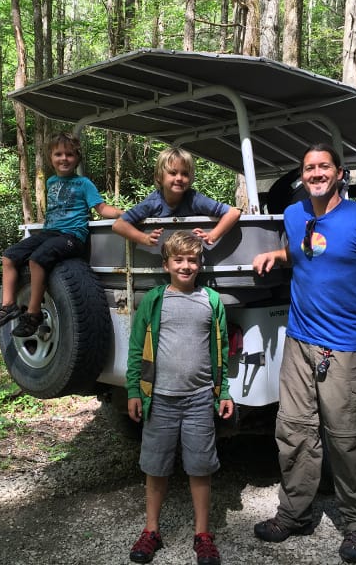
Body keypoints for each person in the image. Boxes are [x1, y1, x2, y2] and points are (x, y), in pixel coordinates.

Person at [251, 143, 356, 564]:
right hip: (299, 341)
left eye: (323, 166)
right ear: (303, 176)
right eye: (308, 168)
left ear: (339, 173)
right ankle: (295, 513)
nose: (316, 173)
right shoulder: (295, 214)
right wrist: (275, 254)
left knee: (349, 437)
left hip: (347, 347)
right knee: (295, 431)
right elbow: (308, 253)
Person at [126, 231, 235, 565]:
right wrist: (134, 390)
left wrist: (224, 391)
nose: (186, 266)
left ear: (200, 263)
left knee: (200, 467)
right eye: (179, 260)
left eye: (192, 260)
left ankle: (203, 534)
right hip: (159, 399)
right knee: (155, 467)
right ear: (167, 264)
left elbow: (223, 350)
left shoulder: (212, 301)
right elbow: (136, 349)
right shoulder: (154, 300)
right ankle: (151, 530)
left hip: (200, 399)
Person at [0, 132, 123, 335]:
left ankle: (33, 314)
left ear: (77, 158)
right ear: (51, 158)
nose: (64, 158)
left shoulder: (84, 183)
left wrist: (126, 214)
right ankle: (8, 306)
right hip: (50, 232)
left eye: (69, 154)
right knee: (9, 256)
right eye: (58, 154)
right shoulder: (50, 182)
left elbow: (102, 209)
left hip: (72, 236)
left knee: (38, 259)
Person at [112, 147, 240, 247]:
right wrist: (144, 238)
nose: (179, 178)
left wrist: (212, 235)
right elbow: (119, 225)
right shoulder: (153, 202)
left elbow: (233, 213)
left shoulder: (194, 199)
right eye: (173, 173)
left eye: (184, 173)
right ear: (159, 177)